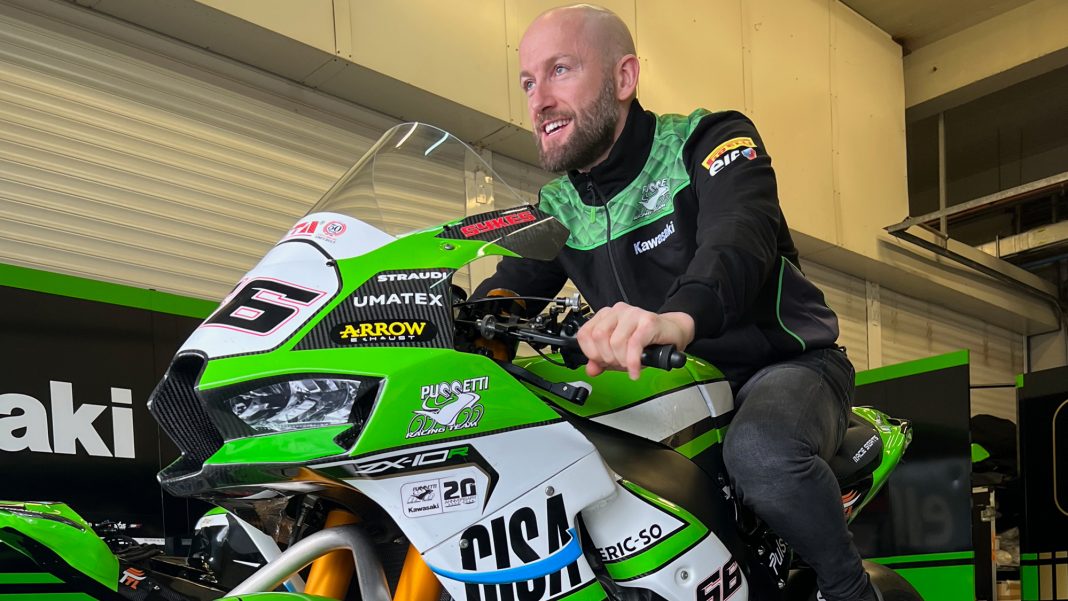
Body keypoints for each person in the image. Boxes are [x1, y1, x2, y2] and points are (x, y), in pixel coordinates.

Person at [472, 4, 873, 601]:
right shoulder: (559, 207)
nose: (539, 100)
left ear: (624, 77)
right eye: (528, 82)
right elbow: (508, 294)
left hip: (780, 368)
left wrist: (677, 318)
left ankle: (849, 589)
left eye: (560, 70)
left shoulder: (710, 140)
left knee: (761, 455)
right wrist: (446, 328)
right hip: (668, 391)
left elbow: (738, 239)